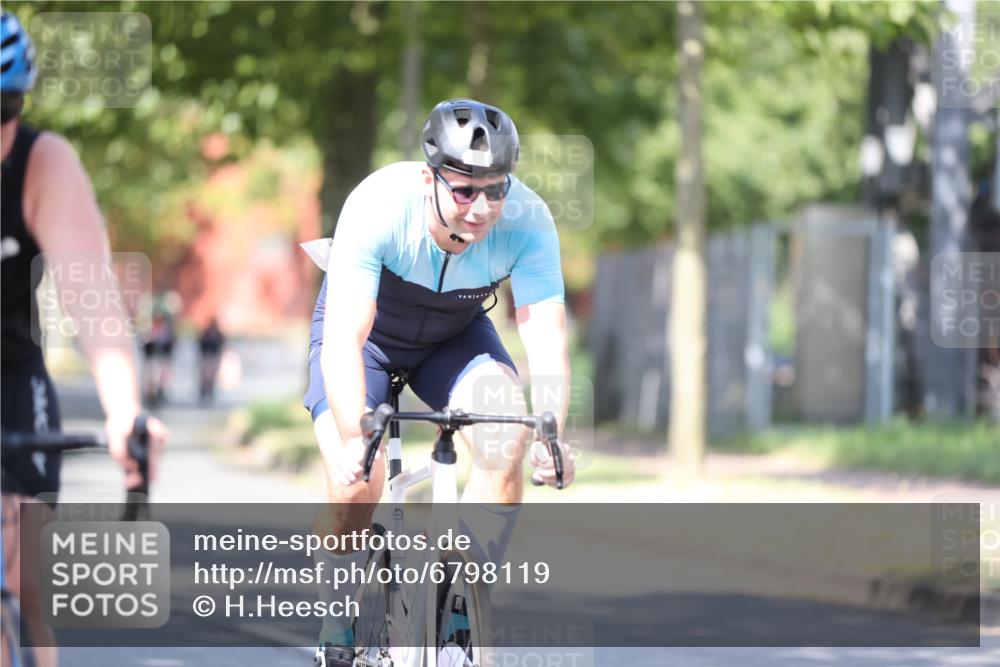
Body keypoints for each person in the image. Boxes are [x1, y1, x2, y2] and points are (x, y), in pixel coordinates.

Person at [302, 99, 576, 665]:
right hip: (369, 339)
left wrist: (553, 435)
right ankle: (340, 606)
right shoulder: (378, 205)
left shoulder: (528, 220)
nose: (481, 208)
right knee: (357, 482)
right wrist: (358, 439)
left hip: (452, 335)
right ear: (429, 177)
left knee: (508, 437)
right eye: (463, 191)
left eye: (495, 190)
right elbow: (346, 339)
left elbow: (545, 336)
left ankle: (455, 603)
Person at [0, 12, 168, 667]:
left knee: (25, 582)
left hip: (11, 378)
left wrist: (125, 411)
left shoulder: (44, 164)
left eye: (5, 108)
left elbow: (93, 304)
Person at [198, 316, 226, 403]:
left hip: (214, 356)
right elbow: (201, 343)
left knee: (212, 375)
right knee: (205, 374)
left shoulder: (218, 334)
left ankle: (210, 389)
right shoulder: (206, 333)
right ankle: (204, 390)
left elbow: (221, 343)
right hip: (207, 356)